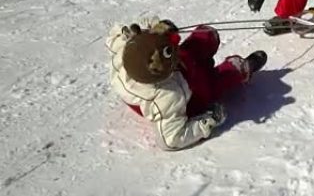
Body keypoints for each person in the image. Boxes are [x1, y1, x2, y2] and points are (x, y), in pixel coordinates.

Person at [105, 16, 267, 150]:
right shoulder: (167, 98)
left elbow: (116, 35)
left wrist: (157, 28)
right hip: (190, 95)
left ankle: (207, 44)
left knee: (202, 38)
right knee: (212, 84)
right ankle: (241, 68)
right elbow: (171, 140)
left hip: (176, 68)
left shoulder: (125, 50)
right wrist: (206, 122)